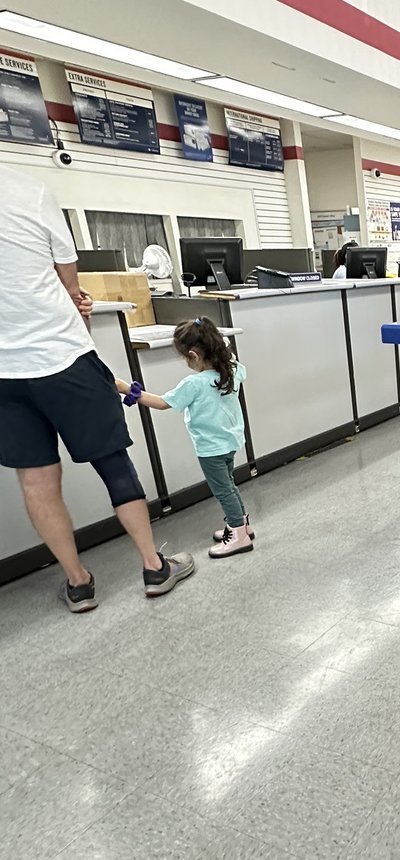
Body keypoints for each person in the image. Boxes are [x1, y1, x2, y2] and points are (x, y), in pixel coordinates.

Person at [0, 164, 194, 611]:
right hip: (63, 356)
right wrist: (76, 306)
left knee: (36, 480)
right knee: (113, 463)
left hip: (6, 376)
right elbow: (72, 287)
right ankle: (153, 566)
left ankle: (78, 583)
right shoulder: (28, 190)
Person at [118, 318, 252, 559]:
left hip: (210, 449)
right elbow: (234, 361)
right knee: (229, 485)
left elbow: (161, 403)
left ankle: (239, 534)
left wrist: (127, 388)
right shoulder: (231, 370)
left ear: (193, 355)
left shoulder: (194, 383)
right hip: (230, 442)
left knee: (224, 491)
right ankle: (241, 525)